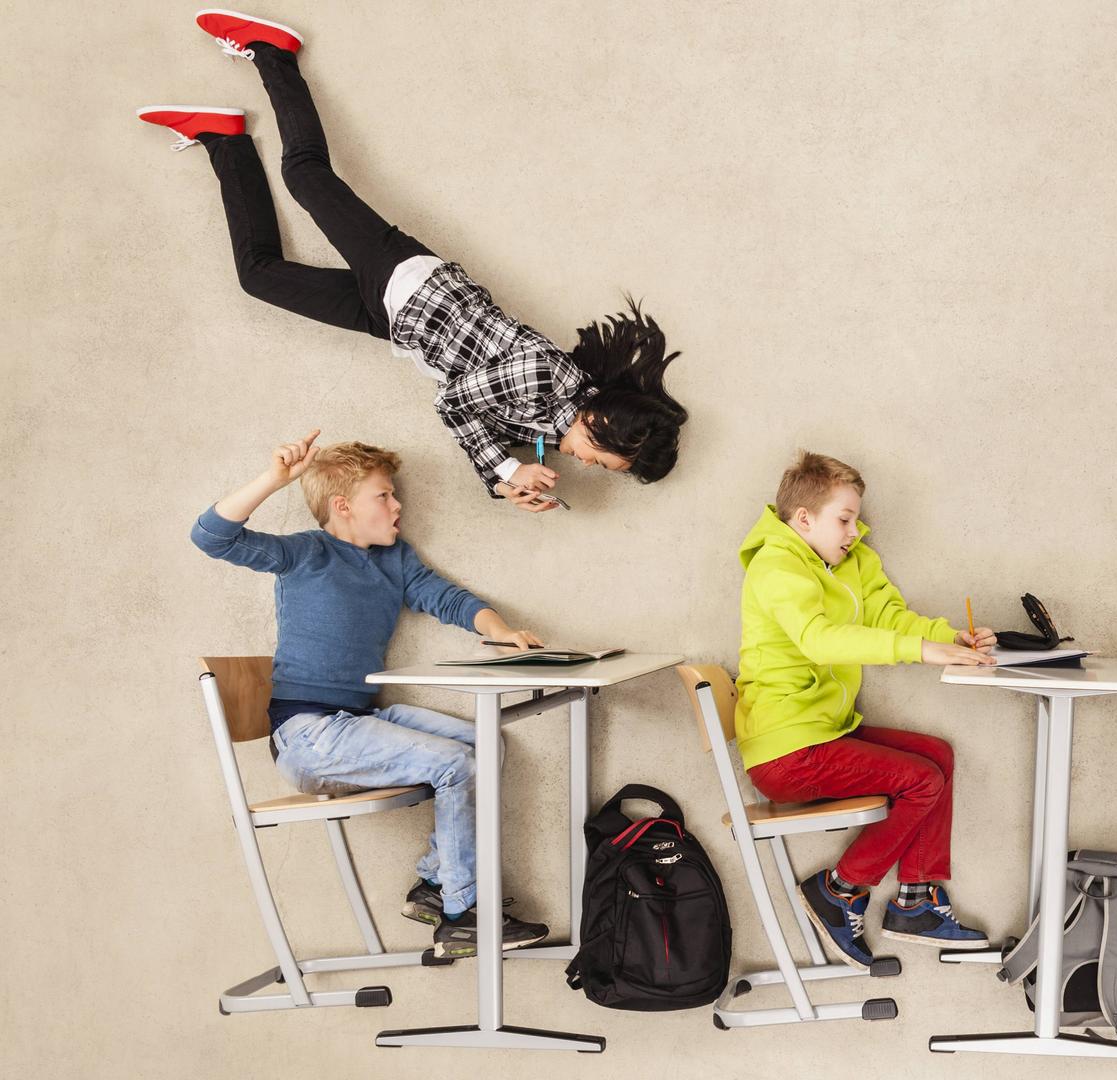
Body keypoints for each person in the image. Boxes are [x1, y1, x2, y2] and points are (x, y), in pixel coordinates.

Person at [140, 11, 685, 510]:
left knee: (258, 275)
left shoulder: (551, 420)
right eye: (603, 459)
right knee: (305, 174)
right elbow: (454, 402)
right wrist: (507, 466)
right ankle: (273, 52)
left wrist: (505, 483)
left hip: (399, 325)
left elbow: (475, 420)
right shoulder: (548, 378)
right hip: (412, 287)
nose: (588, 464)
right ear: (604, 423)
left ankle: (224, 140)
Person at [191, 429, 550, 958]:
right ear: (343, 507)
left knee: (486, 746)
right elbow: (212, 537)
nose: (397, 504)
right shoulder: (304, 553)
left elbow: (445, 597)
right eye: (383, 495)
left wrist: (500, 631)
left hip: (356, 721)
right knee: (455, 762)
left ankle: (434, 886)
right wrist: (275, 479)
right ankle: (462, 914)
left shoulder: (394, 560)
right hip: (309, 736)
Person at [735, 451, 998, 967]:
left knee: (937, 756)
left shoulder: (852, 561)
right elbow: (818, 639)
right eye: (844, 519)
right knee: (921, 780)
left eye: (855, 519)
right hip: (787, 749)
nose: (854, 531)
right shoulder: (776, 564)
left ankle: (916, 900)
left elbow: (889, 617)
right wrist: (922, 652)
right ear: (803, 518)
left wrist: (952, 638)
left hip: (824, 734)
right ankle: (842, 888)